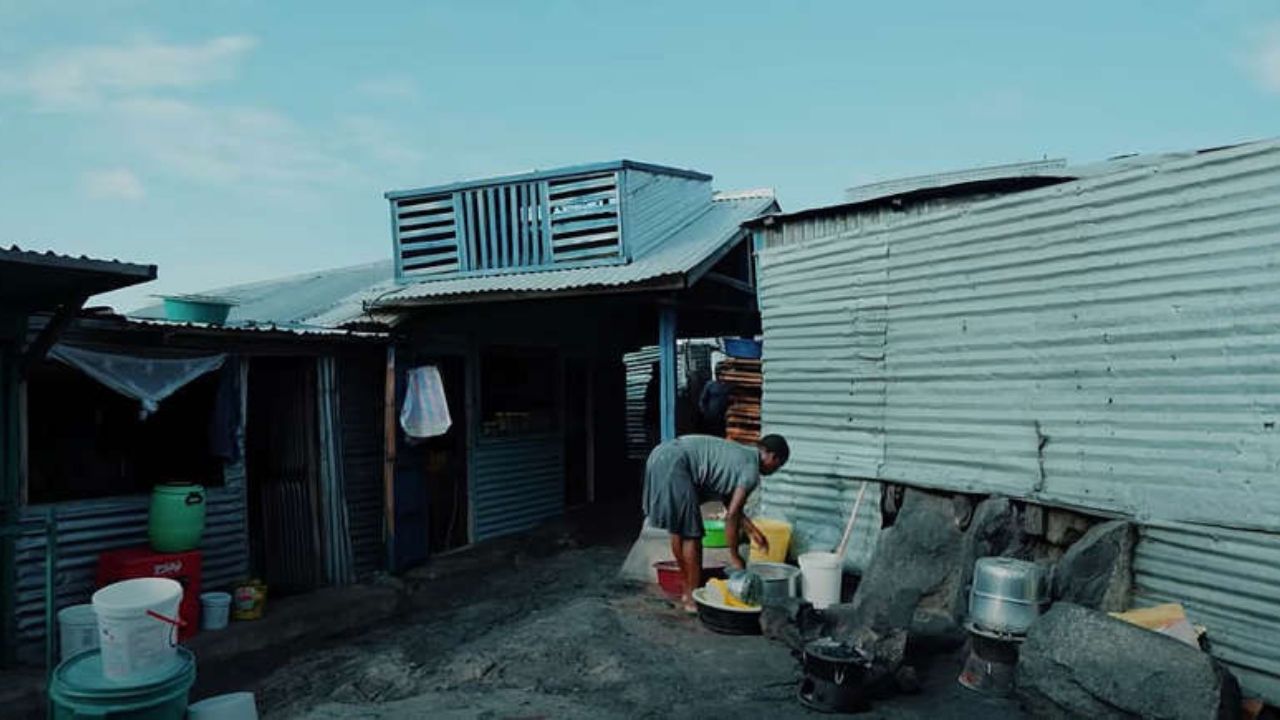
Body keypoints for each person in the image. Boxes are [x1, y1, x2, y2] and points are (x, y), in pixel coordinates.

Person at [642, 433, 790, 612]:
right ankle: (692, 598)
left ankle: (687, 590)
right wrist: (735, 557)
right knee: (692, 535)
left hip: (660, 454)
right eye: (778, 465)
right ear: (772, 456)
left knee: (678, 529)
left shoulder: (742, 455)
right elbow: (732, 516)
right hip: (676, 462)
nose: (775, 470)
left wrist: (753, 532)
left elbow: (731, 505)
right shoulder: (751, 470)